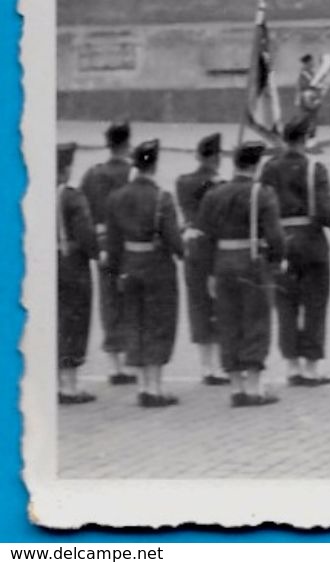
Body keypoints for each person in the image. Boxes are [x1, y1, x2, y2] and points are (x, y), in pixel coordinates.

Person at [196, 141, 285, 407]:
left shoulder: (215, 193)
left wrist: (209, 271)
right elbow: (275, 236)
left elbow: (205, 237)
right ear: (256, 165)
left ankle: (235, 386)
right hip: (252, 263)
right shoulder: (263, 193)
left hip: (222, 263)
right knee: (256, 321)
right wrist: (278, 259)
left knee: (228, 322)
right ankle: (254, 387)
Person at [104, 140, 185, 407]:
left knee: (135, 323)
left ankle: (141, 385)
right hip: (157, 267)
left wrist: (115, 270)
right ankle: (154, 387)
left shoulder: (117, 197)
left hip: (129, 264)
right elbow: (174, 240)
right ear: (155, 165)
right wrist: (184, 249)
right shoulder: (162, 198)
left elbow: (113, 241)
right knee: (158, 325)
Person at [263, 117, 330, 387]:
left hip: (280, 242)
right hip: (310, 242)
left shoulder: (269, 168)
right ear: (306, 138)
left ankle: (292, 365)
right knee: (315, 304)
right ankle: (311, 367)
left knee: (286, 305)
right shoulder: (314, 168)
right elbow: (326, 212)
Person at [80, 120, 136, 385]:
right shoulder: (132, 174)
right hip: (128, 243)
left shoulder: (92, 174)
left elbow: (82, 211)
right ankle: (128, 360)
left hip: (103, 244)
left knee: (109, 301)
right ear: (126, 144)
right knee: (131, 301)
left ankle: (114, 364)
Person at [175, 133, 228, 387]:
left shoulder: (185, 181)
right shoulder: (214, 184)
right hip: (213, 247)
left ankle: (207, 365)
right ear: (216, 158)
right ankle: (214, 366)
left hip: (193, 247)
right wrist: (217, 185)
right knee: (215, 304)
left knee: (199, 304)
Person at [56, 143, 98, 405]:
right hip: (71, 264)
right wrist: (96, 253)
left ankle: (57, 380)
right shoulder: (72, 197)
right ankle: (69, 386)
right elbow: (86, 235)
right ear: (67, 168)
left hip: (43, 263)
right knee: (74, 320)